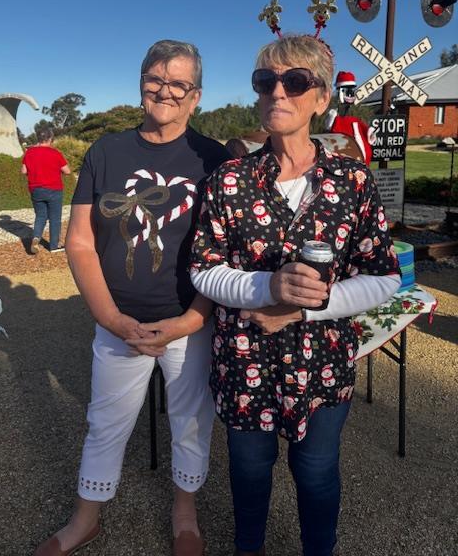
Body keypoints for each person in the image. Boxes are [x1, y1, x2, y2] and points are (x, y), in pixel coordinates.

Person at [190, 34, 401, 556]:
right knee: (249, 469)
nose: (277, 92)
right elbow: (203, 269)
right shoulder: (229, 180)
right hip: (245, 360)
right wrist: (266, 287)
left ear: (321, 98)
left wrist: (304, 309)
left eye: (295, 81)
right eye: (266, 81)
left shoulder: (351, 181)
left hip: (323, 361)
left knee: (317, 470)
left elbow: (384, 276)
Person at [34, 40, 230, 556]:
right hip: (119, 321)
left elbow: (226, 249)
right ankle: (86, 518)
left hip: (188, 321)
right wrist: (111, 318)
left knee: (191, 422)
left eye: (179, 83)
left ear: (196, 96)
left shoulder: (214, 158)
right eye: (155, 79)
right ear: (141, 83)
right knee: (105, 421)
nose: (165, 91)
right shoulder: (107, 152)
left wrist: (192, 319)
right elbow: (80, 240)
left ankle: (184, 514)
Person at [21, 127, 71, 253]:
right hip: (54, 189)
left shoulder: (29, 152)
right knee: (55, 218)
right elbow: (67, 171)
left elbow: (24, 171)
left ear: (38, 138)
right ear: (50, 139)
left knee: (40, 216)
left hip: (36, 189)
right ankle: (54, 246)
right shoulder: (55, 153)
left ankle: (36, 237)